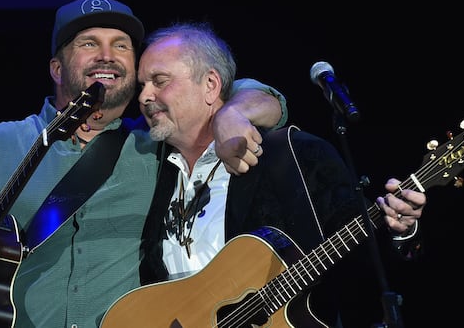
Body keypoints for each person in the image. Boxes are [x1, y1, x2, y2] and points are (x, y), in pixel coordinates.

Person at [0, 0, 289, 328]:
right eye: (88, 43)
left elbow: (257, 95)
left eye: (121, 45)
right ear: (56, 68)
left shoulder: (157, 145)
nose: (107, 55)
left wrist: (230, 114)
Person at [129, 22, 426, 327]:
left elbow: (369, 259)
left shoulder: (292, 155)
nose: (144, 96)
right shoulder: (153, 169)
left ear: (210, 85)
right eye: (142, 85)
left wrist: (401, 230)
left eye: (159, 81)